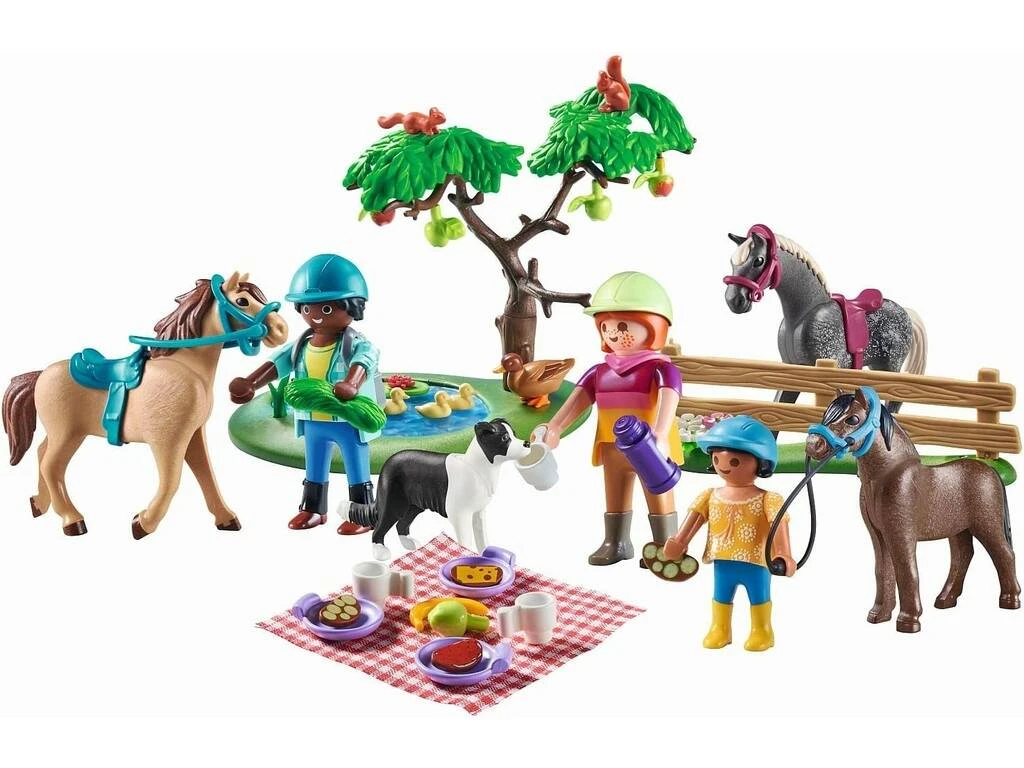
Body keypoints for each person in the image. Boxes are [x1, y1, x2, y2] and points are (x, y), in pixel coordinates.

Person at [229, 253, 384, 534]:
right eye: (307, 309)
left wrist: (352, 382)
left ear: (353, 306)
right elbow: (277, 364)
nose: (315, 316)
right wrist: (251, 382)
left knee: (356, 466)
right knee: (314, 467)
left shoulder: (355, 343)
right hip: (312, 419)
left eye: (326, 309)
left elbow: (366, 359)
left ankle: (363, 514)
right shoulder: (302, 344)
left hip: (346, 419)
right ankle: (313, 510)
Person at [539, 271, 683, 566]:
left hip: (649, 446)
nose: (613, 333)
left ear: (653, 326)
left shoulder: (660, 368)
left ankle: (666, 546)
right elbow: (578, 400)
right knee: (615, 493)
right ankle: (616, 542)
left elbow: (669, 397)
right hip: (611, 445)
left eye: (623, 326)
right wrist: (555, 426)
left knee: (657, 491)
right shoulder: (600, 371)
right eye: (605, 326)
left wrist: (660, 433)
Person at [662, 416, 796, 651]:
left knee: (759, 596)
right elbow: (694, 520)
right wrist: (679, 542)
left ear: (761, 463)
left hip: (756, 561)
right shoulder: (710, 495)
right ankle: (720, 628)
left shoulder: (768, 499)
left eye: (735, 461)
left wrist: (784, 554)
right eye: (716, 458)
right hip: (722, 559)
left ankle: (762, 630)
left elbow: (778, 525)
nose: (723, 465)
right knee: (721, 595)